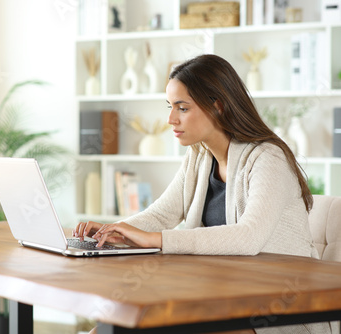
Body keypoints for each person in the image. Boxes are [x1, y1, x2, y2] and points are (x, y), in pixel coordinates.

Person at [74, 54, 333, 334]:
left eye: (182, 108)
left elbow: (248, 236)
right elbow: (163, 214)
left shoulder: (268, 158)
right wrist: (119, 230)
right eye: (170, 107)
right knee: (106, 328)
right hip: (220, 297)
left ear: (218, 106)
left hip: (279, 312)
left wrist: (155, 240)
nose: (171, 119)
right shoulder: (198, 156)